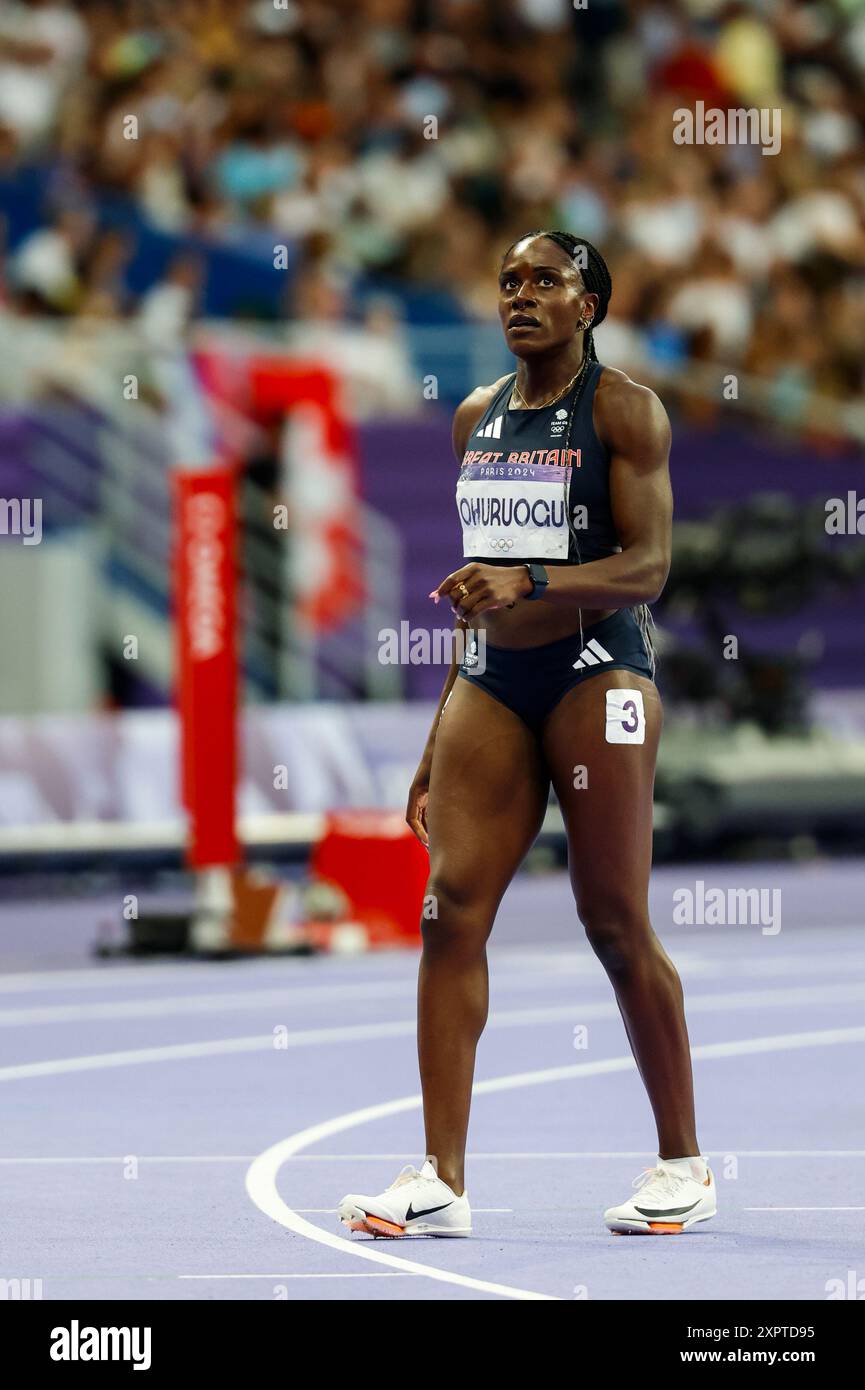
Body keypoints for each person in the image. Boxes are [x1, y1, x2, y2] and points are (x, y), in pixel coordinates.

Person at [338, 230, 715, 1239]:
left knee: (611, 918)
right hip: (495, 676)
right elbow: (482, 587)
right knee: (447, 906)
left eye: (545, 280)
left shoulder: (625, 411)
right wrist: (436, 734)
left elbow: (647, 567)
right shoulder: (477, 418)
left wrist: (534, 581)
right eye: (507, 279)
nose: (520, 295)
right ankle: (440, 1177)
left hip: (600, 669)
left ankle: (683, 1160)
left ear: (587, 304)